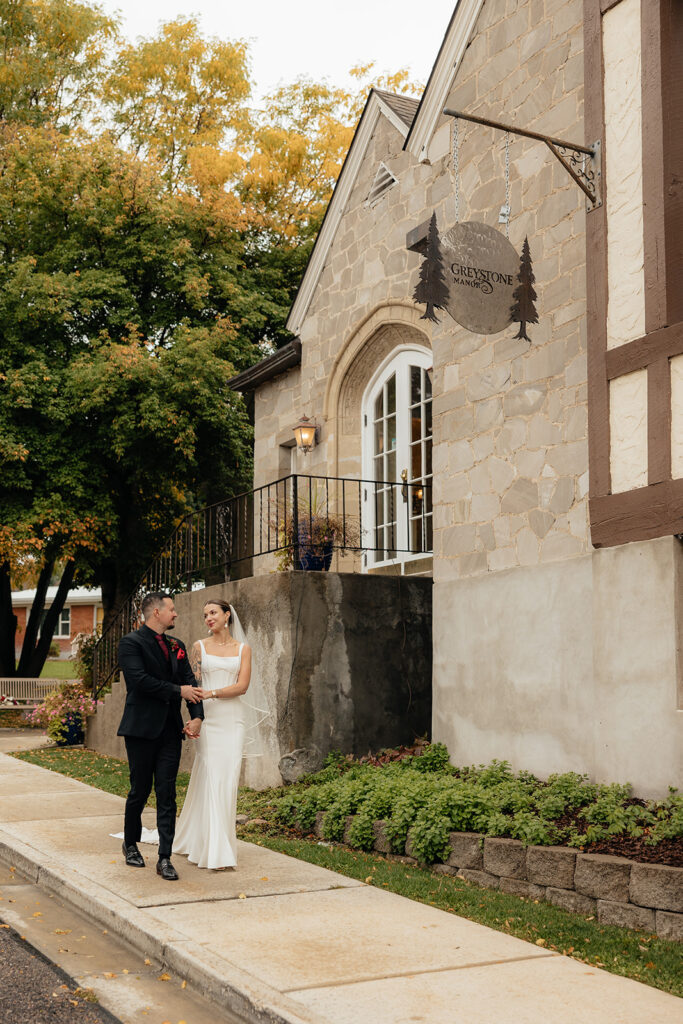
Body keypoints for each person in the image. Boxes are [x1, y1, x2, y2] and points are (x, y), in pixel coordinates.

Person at [173, 599, 267, 870]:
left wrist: (213, 693)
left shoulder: (243, 649)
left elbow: (242, 686)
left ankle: (212, 841)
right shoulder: (198, 648)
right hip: (209, 720)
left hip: (233, 720)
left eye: (213, 613)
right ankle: (216, 851)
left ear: (227, 615)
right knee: (212, 775)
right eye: (205, 615)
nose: (208, 618)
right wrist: (195, 718)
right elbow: (193, 685)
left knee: (227, 781)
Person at [117, 592, 204, 881]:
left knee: (167, 792)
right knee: (139, 790)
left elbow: (190, 682)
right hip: (141, 729)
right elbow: (139, 682)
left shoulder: (177, 646)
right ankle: (130, 844)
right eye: (172, 609)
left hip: (169, 730)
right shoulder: (131, 643)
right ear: (156, 612)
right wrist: (178, 691)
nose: (175, 614)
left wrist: (197, 716)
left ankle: (164, 857)